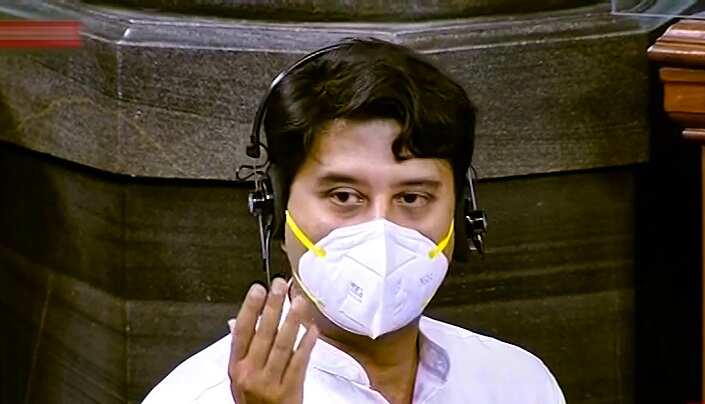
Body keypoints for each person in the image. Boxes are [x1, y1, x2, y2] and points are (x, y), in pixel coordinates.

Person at [142, 38, 566, 404]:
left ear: (460, 214)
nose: (380, 230)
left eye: (412, 197)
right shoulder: (196, 397)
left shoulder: (518, 384)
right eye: (344, 196)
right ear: (276, 211)